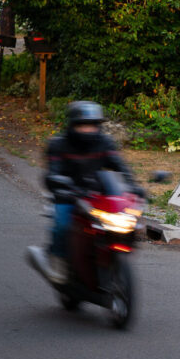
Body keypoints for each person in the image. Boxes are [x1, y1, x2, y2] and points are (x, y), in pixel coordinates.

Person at [44, 101, 144, 282]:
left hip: (96, 195)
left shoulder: (105, 142)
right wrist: (59, 183)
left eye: (92, 125)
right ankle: (58, 258)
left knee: (120, 223)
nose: (88, 129)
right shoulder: (58, 144)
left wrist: (133, 187)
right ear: (73, 125)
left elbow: (120, 166)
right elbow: (52, 173)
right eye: (83, 125)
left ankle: (104, 257)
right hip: (68, 195)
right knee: (62, 225)